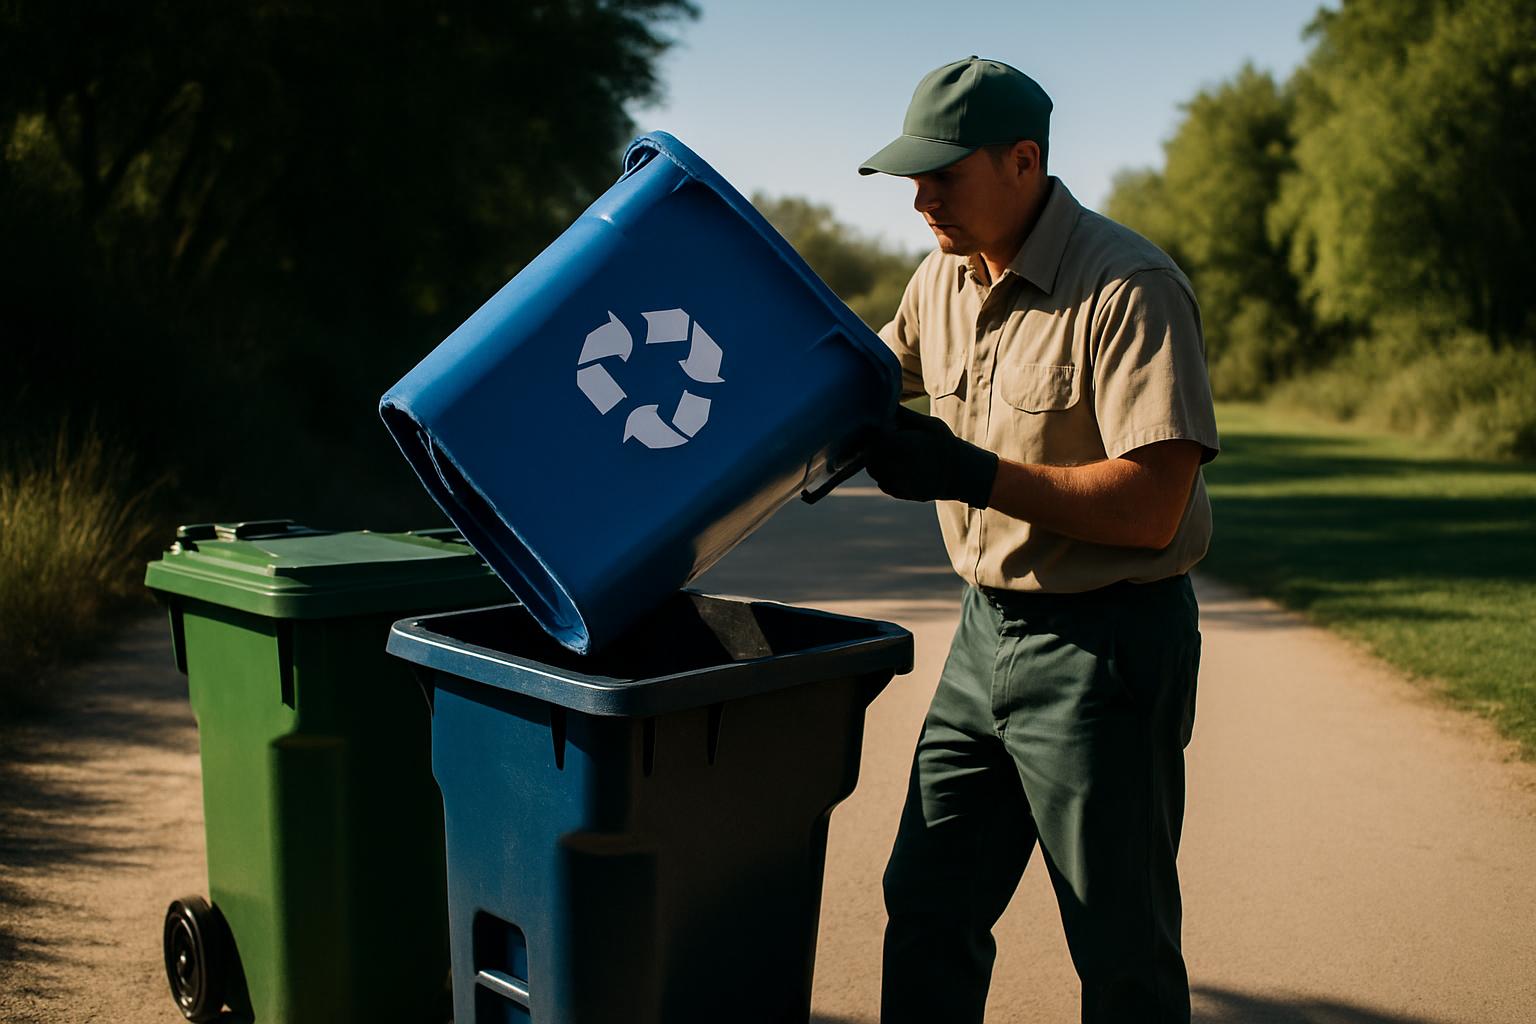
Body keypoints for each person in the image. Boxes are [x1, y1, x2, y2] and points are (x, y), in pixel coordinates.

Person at [858, 56, 1219, 1024]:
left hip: (1109, 651)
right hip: (984, 639)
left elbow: (1152, 508)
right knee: (928, 903)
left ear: (1024, 161)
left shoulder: (1128, 286)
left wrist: (966, 470)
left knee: (1120, 944)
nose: (921, 198)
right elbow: (859, 381)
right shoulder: (939, 278)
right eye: (912, 177)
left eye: (944, 173)